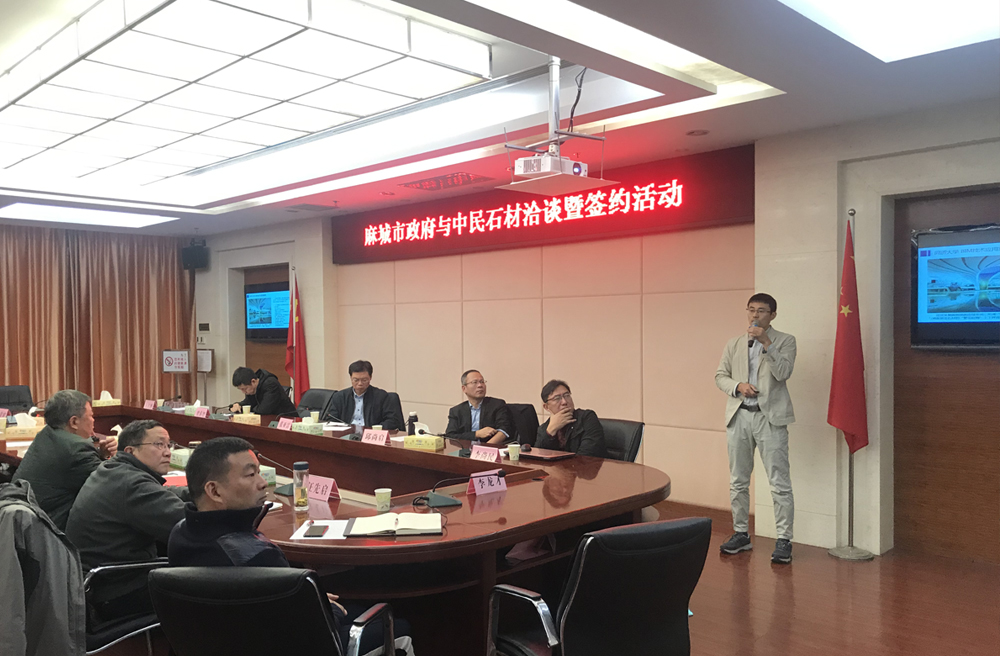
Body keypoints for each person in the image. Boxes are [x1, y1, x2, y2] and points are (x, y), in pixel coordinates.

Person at [168, 437, 414, 655]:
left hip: (222, 642)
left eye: (259, 473)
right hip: (285, 645)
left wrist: (306, 598)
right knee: (399, 628)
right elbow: (313, 627)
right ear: (214, 491)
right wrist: (323, 606)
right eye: (250, 475)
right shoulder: (254, 555)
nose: (263, 483)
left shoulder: (180, 534)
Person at [66, 419, 188, 621]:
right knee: (207, 588)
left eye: (169, 445)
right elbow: (191, 527)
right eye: (159, 445)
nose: (168, 452)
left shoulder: (113, 469)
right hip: (114, 591)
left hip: (93, 583)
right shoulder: (133, 484)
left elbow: (163, 493)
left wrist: (201, 492)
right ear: (131, 451)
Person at [715, 293, 797, 564]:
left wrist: (766, 344)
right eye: (751, 310)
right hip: (740, 415)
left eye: (761, 311)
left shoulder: (785, 341)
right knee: (738, 480)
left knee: (779, 481)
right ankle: (741, 533)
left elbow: (783, 372)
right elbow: (720, 376)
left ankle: (783, 539)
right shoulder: (734, 343)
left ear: (772, 315)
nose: (755, 315)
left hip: (769, 418)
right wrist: (738, 386)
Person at [12, 389, 117, 530]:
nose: (93, 420)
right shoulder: (77, 448)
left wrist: (101, 455)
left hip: (21, 524)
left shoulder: (46, 433)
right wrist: (123, 456)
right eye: (91, 416)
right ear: (74, 422)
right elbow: (112, 485)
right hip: (50, 530)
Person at [535, 380, 608, 458]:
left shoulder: (587, 418)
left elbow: (587, 456)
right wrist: (551, 431)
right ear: (546, 407)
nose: (564, 402)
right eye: (557, 398)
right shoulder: (544, 429)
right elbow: (538, 458)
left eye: (567, 395)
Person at [327, 360, 403, 431]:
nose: (360, 383)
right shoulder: (339, 397)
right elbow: (332, 419)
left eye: (364, 380)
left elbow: (392, 421)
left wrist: (373, 430)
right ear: (351, 378)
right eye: (356, 380)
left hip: (370, 435)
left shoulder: (381, 396)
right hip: (346, 435)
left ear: (370, 378)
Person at [444, 370, 514, 445]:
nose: (480, 385)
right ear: (464, 388)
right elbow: (450, 436)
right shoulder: (456, 411)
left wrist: (484, 448)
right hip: (464, 450)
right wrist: (476, 434)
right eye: (475, 382)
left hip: (490, 449)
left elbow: (504, 430)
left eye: (482, 382)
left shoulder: (497, 405)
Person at [229, 366, 296, 416]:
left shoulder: (271, 384)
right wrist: (238, 405)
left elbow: (264, 410)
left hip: (286, 420)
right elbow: (248, 403)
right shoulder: (253, 388)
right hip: (268, 420)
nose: (243, 392)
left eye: (244, 389)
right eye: (241, 389)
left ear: (253, 381)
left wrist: (248, 409)